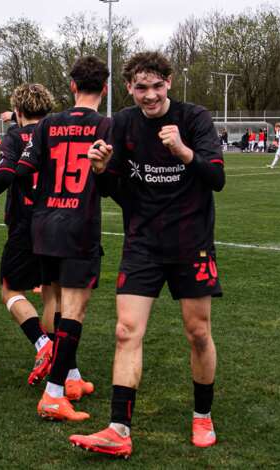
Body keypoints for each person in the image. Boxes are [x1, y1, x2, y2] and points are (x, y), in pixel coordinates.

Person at [70, 51, 225, 457]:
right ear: (129, 88)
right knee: (125, 331)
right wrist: (100, 169)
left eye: (157, 86)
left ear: (169, 83)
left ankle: (202, 414)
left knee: (198, 333)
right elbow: (115, 191)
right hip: (142, 243)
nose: (150, 95)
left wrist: (184, 152)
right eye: (141, 88)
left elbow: (217, 177)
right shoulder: (120, 123)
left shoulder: (195, 119)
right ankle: (119, 429)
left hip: (191, 242)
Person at [16, 56, 114, 421]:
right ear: (104, 88)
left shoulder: (48, 124)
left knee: (54, 302)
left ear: (71, 86)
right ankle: (54, 394)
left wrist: (38, 205)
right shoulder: (107, 125)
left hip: (45, 223)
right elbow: (109, 185)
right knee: (74, 309)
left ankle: (70, 376)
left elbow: (26, 170)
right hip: (78, 225)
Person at [0, 83, 56, 385]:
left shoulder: (15, 135)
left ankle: (43, 344)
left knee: (10, 290)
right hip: (59, 220)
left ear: (18, 111)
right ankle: (63, 365)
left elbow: (5, 173)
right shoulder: (58, 132)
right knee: (53, 292)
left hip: (25, 222)